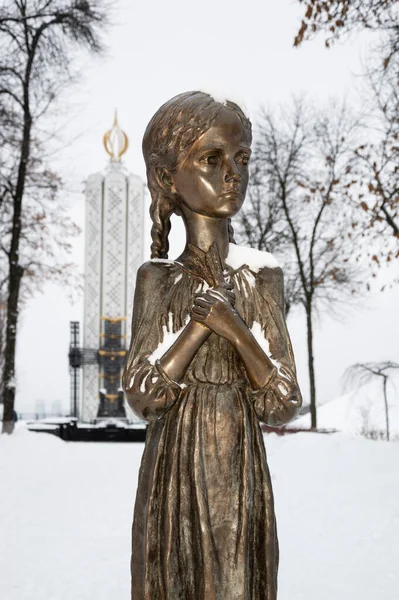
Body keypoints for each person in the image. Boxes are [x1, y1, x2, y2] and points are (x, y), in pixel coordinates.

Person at [122, 91, 302, 600]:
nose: (233, 173)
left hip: (239, 461)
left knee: (236, 579)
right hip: (175, 464)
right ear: (166, 178)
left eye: (241, 158)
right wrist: (199, 326)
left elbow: (285, 399)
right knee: (175, 577)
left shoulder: (262, 277)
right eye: (211, 158)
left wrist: (235, 328)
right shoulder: (156, 279)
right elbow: (142, 395)